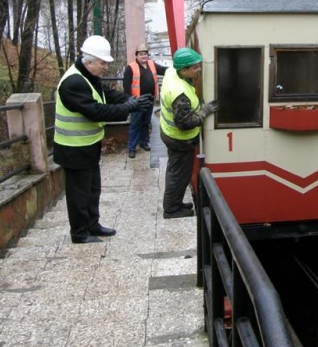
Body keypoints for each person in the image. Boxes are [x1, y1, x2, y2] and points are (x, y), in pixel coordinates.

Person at [54, 35, 153, 243]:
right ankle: (80, 233)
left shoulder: (88, 76)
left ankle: (93, 224)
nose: (106, 67)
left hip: (88, 145)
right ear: (89, 61)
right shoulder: (73, 83)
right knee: (78, 194)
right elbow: (96, 111)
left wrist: (131, 100)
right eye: (103, 63)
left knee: (92, 189)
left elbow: (107, 94)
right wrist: (128, 108)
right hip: (73, 149)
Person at [159, 47, 219, 219]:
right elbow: (185, 123)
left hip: (168, 133)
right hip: (179, 139)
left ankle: (174, 202)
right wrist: (205, 110)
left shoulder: (172, 71)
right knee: (179, 175)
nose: (199, 69)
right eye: (195, 67)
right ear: (183, 70)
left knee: (175, 171)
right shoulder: (180, 94)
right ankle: (171, 210)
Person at [123, 42, 168, 158]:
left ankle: (144, 143)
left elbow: (163, 70)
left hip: (149, 99)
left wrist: (176, 68)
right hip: (137, 101)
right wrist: (129, 100)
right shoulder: (130, 68)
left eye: (145, 54)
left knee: (145, 123)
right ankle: (132, 147)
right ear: (136, 55)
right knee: (135, 124)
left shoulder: (151, 64)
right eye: (141, 54)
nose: (143, 56)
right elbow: (126, 86)